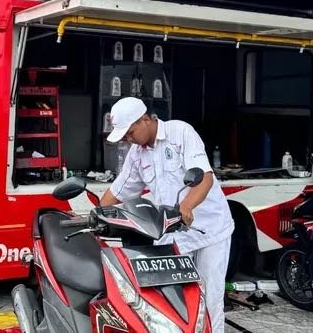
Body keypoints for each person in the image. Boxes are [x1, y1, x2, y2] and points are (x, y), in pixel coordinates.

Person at [100, 97, 234, 333]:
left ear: (145, 120)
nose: (128, 139)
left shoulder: (180, 133)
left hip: (210, 231)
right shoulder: (137, 154)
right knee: (171, 302)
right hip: (173, 234)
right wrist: (96, 216)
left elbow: (204, 177)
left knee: (208, 300)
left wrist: (187, 206)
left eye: (130, 133)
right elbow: (118, 191)